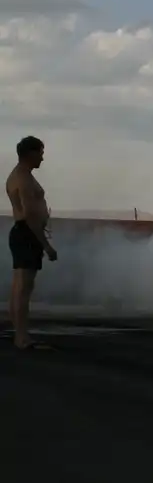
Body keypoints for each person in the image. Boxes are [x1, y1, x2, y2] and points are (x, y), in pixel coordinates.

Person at [5, 136, 58, 350]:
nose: (42, 158)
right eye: (40, 153)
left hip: (23, 233)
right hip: (27, 233)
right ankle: (22, 338)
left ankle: (20, 335)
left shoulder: (19, 175)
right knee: (23, 288)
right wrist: (46, 245)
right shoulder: (23, 178)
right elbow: (30, 215)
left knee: (19, 287)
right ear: (30, 153)